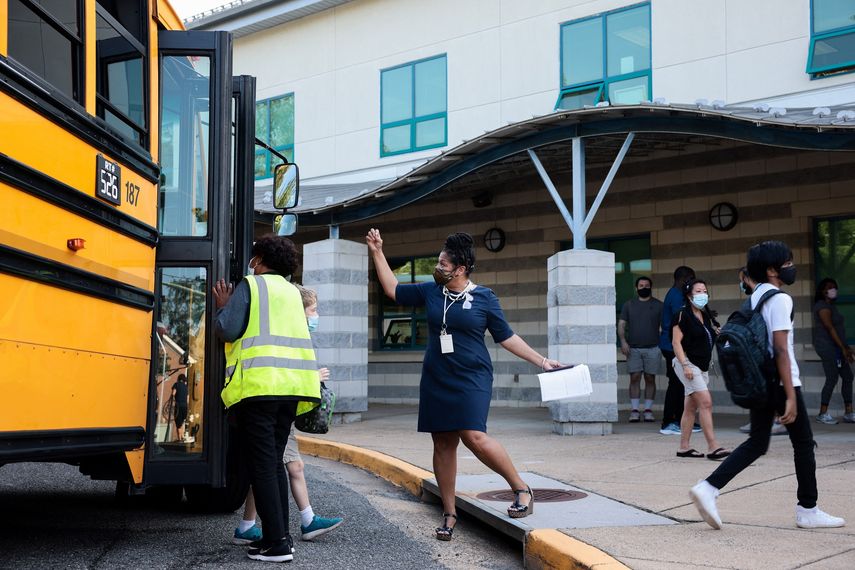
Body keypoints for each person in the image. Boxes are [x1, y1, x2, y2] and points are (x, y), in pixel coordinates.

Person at [366, 229, 561, 541]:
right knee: (443, 442)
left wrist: (541, 361)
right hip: (436, 376)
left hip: (472, 376)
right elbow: (392, 289)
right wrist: (377, 251)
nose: (439, 267)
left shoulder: (484, 298)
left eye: (444, 264)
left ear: (461, 269)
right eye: (439, 262)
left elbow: (506, 336)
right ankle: (449, 511)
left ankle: (521, 489)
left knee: (474, 435)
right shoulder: (431, 291)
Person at [690, 241, 845, 530]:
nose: (791, 268)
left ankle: (709, 487)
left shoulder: (755, 296)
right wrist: (789, 395)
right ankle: (807, 509)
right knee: (803, 444)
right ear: (772, 269)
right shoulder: (781, 299)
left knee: (758, 442)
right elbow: (781, 349)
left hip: (759, 378)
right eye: (787, 263)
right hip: (782, 380)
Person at [213, 235, 322, 563]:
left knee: (263, 464)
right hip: (291, 388)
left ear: (259, 260)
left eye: (254, 257)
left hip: (260, 388)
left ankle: (277, 544)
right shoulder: (292, 292)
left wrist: (222, 307)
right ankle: (280, 538)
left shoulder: (253, 285)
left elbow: (228, 329)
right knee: (272, 461)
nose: (251, 262)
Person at [232, 285, 344, 546]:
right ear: (299, 311)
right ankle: (306, 521)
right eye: (313, 310)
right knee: (287, 467)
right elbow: (285, 371)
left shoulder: (293, 332)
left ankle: (247, 526)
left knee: (265, 471)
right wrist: (312, 378)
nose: (317, 316)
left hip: (276, 408)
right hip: (278, 410)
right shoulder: (290, 334)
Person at [671, 280, 729, 460]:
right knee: (706, 402)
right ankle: (713, 447)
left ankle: (684, 448)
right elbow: (675, 342)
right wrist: (685, 365)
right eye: (698, 291)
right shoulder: (682, 314)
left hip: (701, 367)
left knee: (690, 407)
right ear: (689, 295)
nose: (703, 293)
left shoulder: (705, 316)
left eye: (705, 290)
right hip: (687, 364)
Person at [737, 268, 787, 436]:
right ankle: (764, 421)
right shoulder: (756, 298)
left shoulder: (773, 298)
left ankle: (780, 419)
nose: (741, 284)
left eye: (741, 280)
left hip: (770, 354)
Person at [659, 266, 701, 435]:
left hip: (675, 345)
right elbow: (682, 320)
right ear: (683, 279)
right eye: (691, 279)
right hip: (672, 346)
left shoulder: (678, 294)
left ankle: (679, 419)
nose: (692, 283)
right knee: (675, 384)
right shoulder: (676, 296)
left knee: (681, 385)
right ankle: (668, 422)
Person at [618, 276, 663, 422]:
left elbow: (666, 327)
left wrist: (662, 344)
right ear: (636, 288)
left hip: (653, 348)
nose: (644, 288)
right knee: (635, 377)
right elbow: (621, 325)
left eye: (647, 285)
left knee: (650, 378)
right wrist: (623, 342)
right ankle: (635, 410)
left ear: (651, 287)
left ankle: (648, 410)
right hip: (633, 349)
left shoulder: (659, 305)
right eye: (641, 285)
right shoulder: (628, 305)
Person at [812, 277, 855, 424]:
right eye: (829, 287)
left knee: (848, 376)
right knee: (832, 378)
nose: (833, 289)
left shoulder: (832, 306)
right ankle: (822, 413)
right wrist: (843, 348)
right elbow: (830, 328)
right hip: (827, 347)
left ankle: (849, 412)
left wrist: (846, 348)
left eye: (834, 287)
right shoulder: (821, 306)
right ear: (823, 291)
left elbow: (838, 329)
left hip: (838, 348)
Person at [171, 373, 189, 442]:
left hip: (178, 406)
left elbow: (173, 393)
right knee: (182, 422)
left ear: (179, 378)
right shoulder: (185, 387)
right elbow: (187, 399)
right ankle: (182, 437)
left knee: (178, 422)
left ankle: (180, 439)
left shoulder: (177, 384)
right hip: (185, 407)